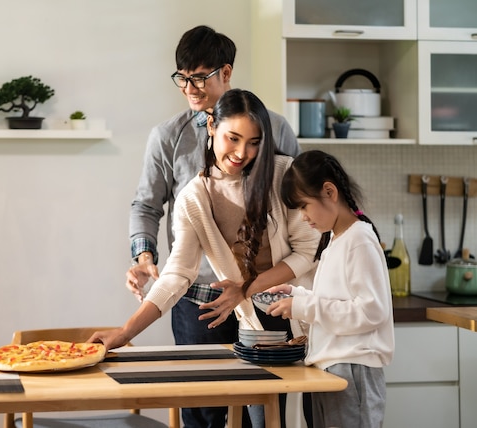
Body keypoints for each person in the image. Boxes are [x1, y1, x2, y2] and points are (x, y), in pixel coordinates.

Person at [93, 88, 319, 428]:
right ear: (211, 126)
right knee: (259, 421)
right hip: (255, 329)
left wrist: (245, 287)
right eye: (233, 138)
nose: (243, 152)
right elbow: (176, 275)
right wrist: (125, 333)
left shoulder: (282, 175)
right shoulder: (193, 198)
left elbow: (308, 252)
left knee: (303, 419)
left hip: (302, 319)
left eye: (254, 142)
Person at [125, 25, 304, 428]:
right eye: (183, 78)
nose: (190, 87)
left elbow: (304, 211)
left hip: (268, 295)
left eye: (200, 77)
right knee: (203, 408)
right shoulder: (167, 137)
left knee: (266, 408)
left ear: (226, 72)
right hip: (196, 298)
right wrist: (144, 255)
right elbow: (146, 204)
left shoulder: (275, 130)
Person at [266, 150, 395, 428]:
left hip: (352, 368)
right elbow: (335, 301)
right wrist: (296, 295)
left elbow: (371, 310)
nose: (302, 217)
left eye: (304, 206)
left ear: (329, 192)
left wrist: (303, 307)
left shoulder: (358, 238)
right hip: (334, 367)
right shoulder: (336, 240)